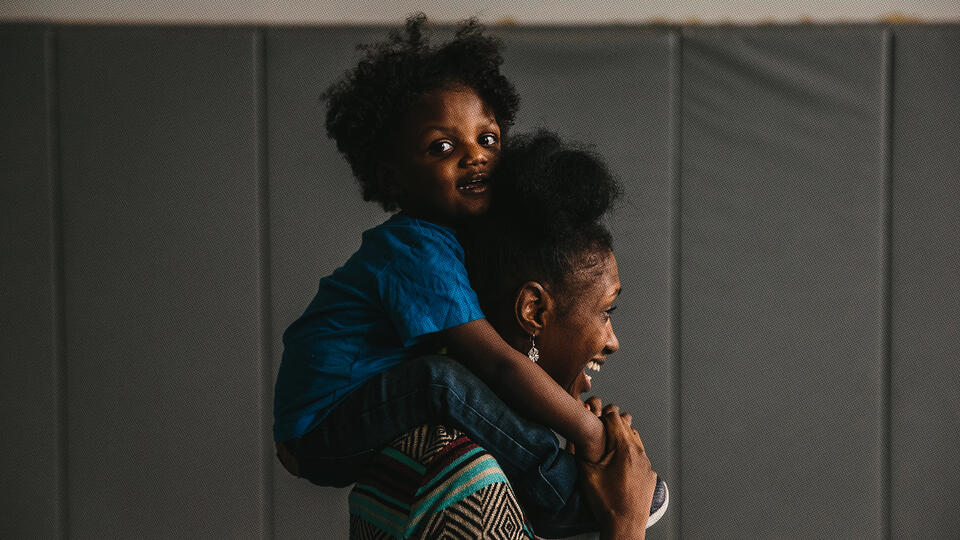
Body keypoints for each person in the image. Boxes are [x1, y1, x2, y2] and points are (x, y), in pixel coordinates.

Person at [273, 16, 639, 537]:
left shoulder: (455, 245)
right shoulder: (415, 249)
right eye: (442, 147)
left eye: (488, 138)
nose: (475, 156)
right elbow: (500, 364)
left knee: (452, 380)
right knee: (441, 380)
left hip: (353, 417)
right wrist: (589, 434)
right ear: (391, 176)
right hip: (323, 427)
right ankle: (563, 498)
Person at [345, 131, 667, 539]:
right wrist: (625, 522)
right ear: (533, 311)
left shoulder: (451, 451)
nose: (612, 341)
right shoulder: (459, 480)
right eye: (605, 313)